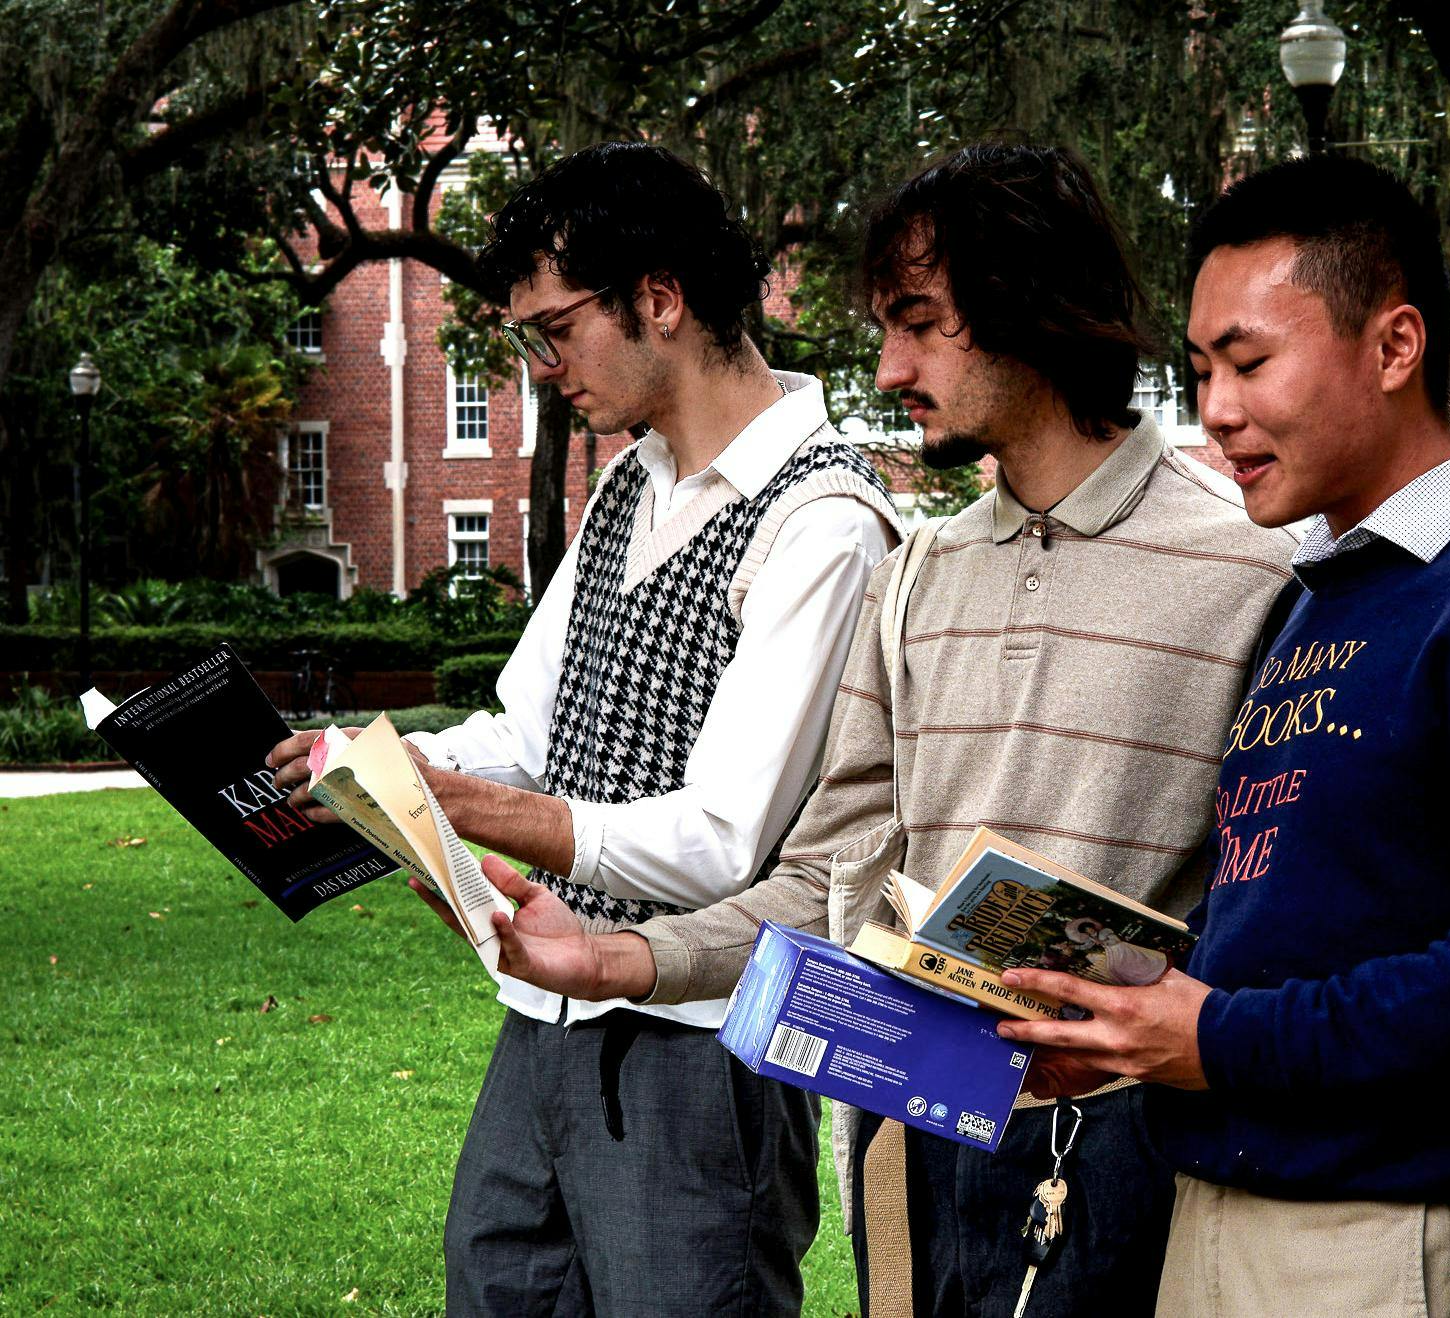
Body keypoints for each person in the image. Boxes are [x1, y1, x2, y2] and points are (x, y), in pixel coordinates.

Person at [438, 143, 1300, 1316]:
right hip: (918, 1127)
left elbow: (1295, 910)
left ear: (1032, 302)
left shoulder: (1255, 569)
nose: (888, 366)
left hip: (1140, 1159)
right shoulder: (920, 577)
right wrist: (619, 957)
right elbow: (832, 884)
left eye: (918, 322)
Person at [996, 154, 1450, 1317]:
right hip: (1212, 1220)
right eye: (1202, 367)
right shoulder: (1316, 596)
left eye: (1251, 361)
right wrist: (1126, 1027)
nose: (1215, 409)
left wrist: (1220, 1039)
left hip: (1384, 1249)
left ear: (1394, 346)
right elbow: (1295, 919)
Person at [267, 141, 900, 1315]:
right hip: (545, 1011)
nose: (540, 366)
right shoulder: (628, 484)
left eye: (553, 329)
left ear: (658, 298)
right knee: (494, 1281)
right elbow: (526, 726)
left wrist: (472, 807)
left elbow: (724, 837)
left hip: (701, 1040)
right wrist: (377, 762)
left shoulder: (825, 520)